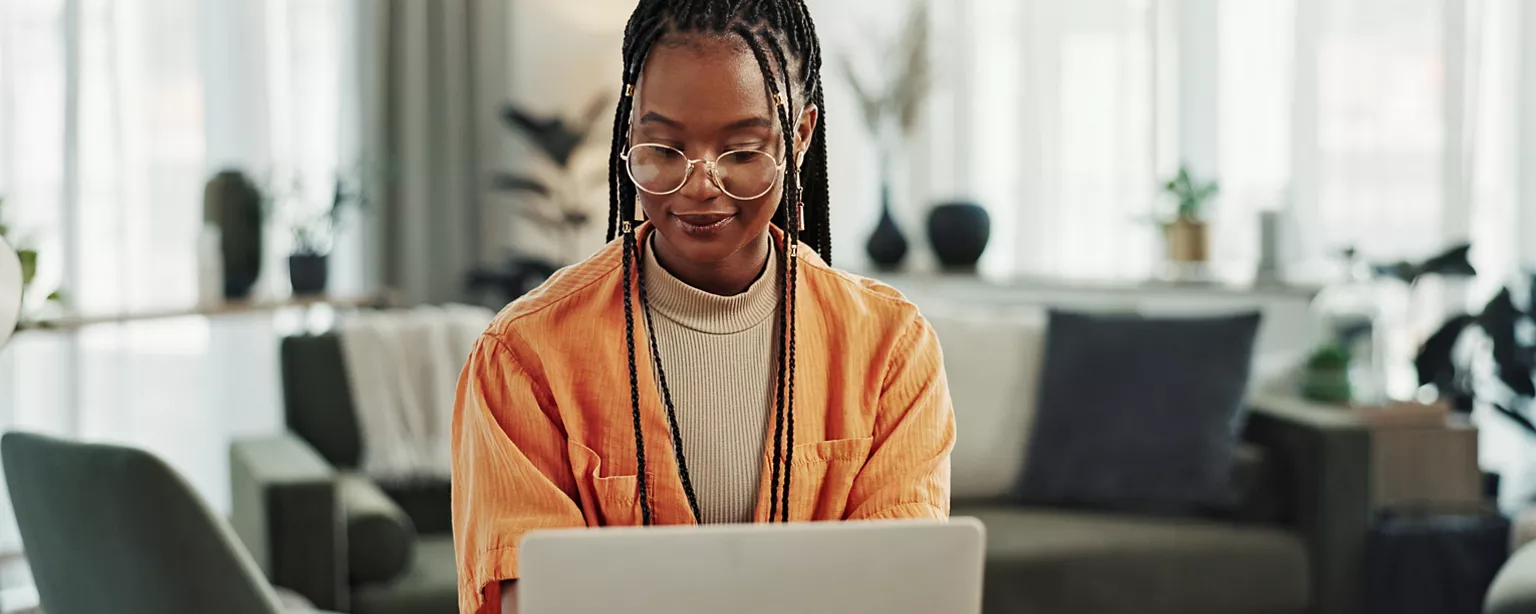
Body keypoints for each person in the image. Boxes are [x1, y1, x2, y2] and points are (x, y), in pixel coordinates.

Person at [451, 1, 955, 612]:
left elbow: (899, 592)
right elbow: (528, 597)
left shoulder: (892, 349)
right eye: (664, 148)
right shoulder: (524, 357)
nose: (699, 184)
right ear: (630, 130)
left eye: (742, 152)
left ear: (799, 138)